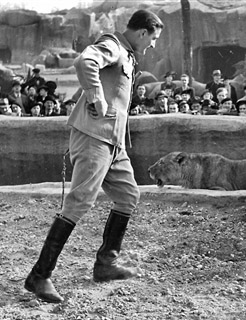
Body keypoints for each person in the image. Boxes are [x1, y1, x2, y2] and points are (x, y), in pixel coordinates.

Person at [24, 9, 164, 304]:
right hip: (94, 138)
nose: (152, 45)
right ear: (142, 32)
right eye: (153, 39)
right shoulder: (113, 45)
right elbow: (84, 60)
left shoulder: (127, 54)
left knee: (128, 195)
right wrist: (96, 97)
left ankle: (106, 264)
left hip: (114, 144)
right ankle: (40, 275)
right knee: (79, 202)